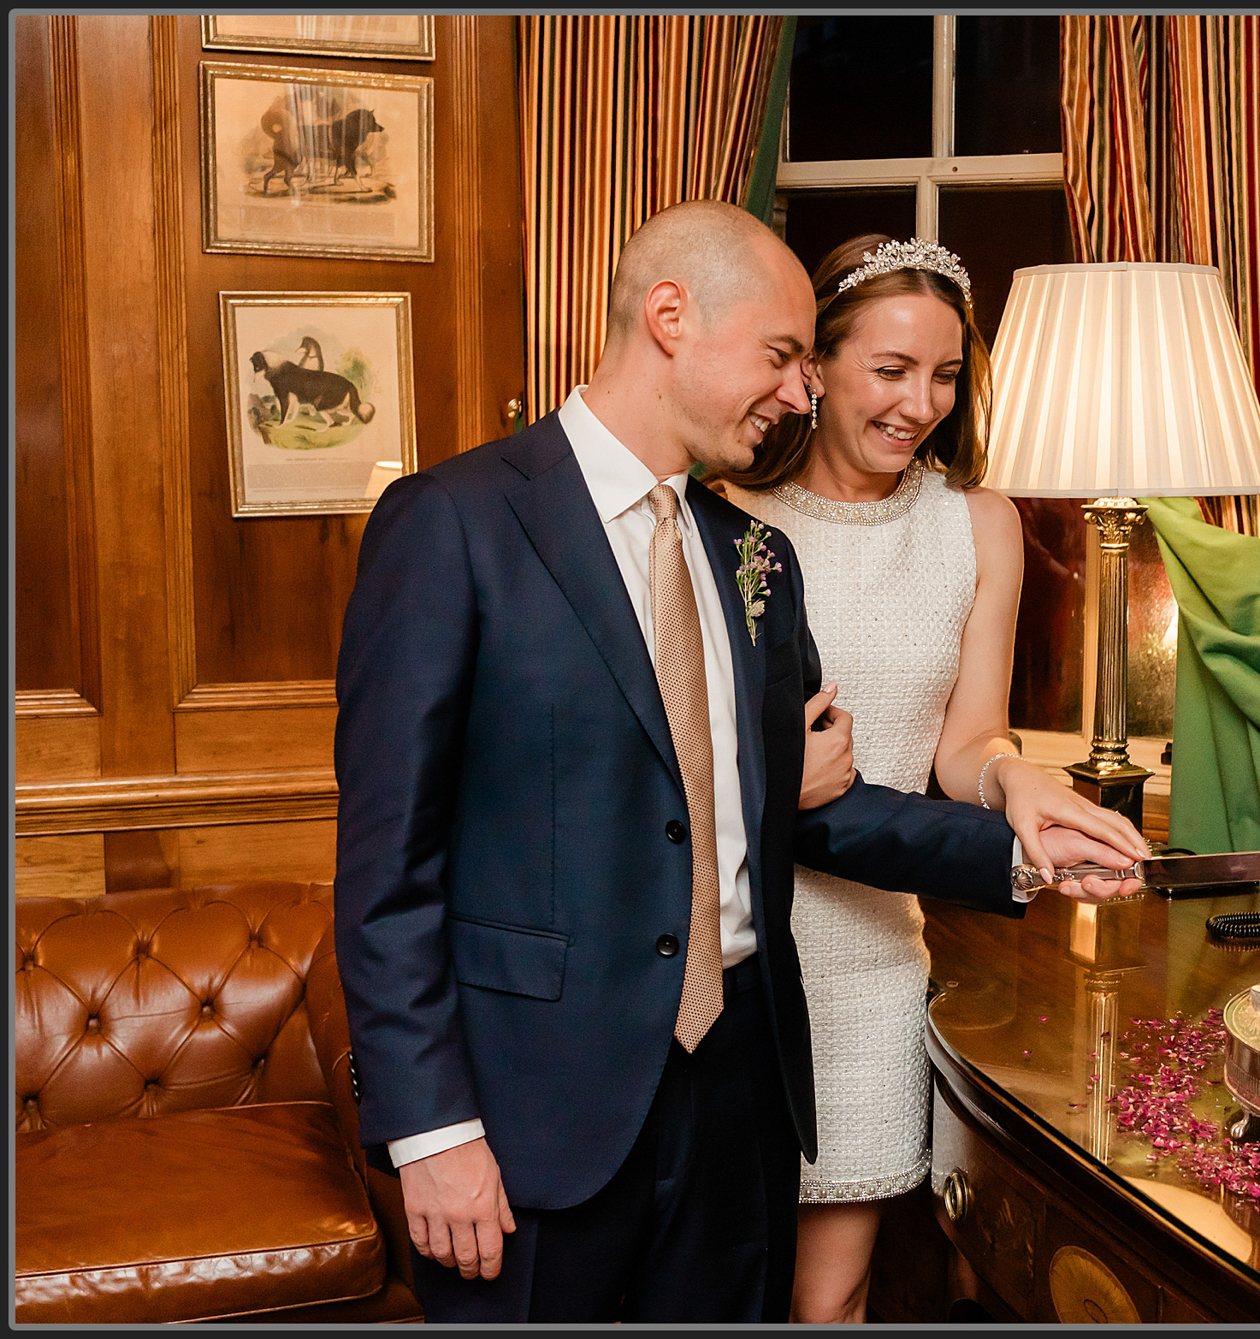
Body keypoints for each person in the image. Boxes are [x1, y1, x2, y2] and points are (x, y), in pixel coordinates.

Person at [331, 200, 1143, 1324]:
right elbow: (387, 872)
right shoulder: (454, 523)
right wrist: (432, 1132)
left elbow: (814, 814)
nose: (800, 392)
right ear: (670, 318)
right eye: (779, 356)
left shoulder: (751, 555)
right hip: (537, 1110)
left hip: (739, 1094)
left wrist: (1018, 846)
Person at [721, 234, 1152, 1324]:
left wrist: (1014, 785)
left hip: (870, 958)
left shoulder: (976, 525)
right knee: (720, 1284)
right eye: (891, 369)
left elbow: (964, 741)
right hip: (734, 957)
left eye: (946, 375)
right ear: (812, 367)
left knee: (834, 1295)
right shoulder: (729, 520)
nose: (921, 403)